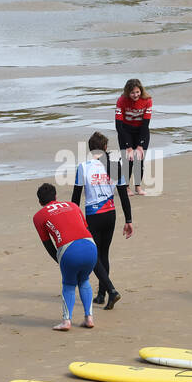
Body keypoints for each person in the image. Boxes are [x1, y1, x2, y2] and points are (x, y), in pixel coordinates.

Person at [72, 132, 134, 309]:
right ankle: (101, 295)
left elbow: (75, 198)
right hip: (110, 215)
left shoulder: (83, 167)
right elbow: (124, 196)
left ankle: (111, 290)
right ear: (105, 148)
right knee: (103, 254)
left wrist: (73, 220)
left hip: (93, 216)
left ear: (92, 149)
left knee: (93, 257)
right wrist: (128, 220)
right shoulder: (116, 166)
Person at [32, 183, 98, 331]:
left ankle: (66, 322)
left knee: (69, 284)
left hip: (69, 251)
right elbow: (85, 228)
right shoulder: (73, 205)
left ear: (40, 202)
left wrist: (59, 260)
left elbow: (48, 244)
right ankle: (89, 318)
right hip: (91, 246)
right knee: (84, 280)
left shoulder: (38, 216)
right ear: (56, 197)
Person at [115, 79, 152, 195]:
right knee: (128, 160)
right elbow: (119, 126)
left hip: (141, 131)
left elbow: (146, 124)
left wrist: (140, 145)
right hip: (125, 131)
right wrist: (128, 146)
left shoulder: (147, 100)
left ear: (141, 90)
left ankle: (138, 186)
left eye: (137, 92)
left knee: (139, 159)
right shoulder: (121, 101)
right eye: (132, 93)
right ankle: (126, 187)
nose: (135, 95)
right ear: (127, 92)